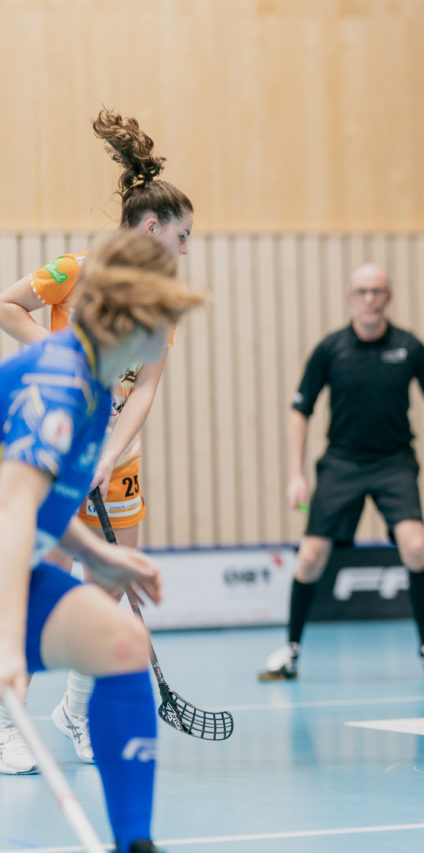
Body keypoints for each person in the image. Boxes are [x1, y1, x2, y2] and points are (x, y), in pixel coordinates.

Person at [0, 109, 193, 772]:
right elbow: (6, 305)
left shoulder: (161, 300)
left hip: (113, 458)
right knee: (31, 578)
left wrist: (110, 453)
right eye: (183, 235)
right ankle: (7, 721)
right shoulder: (74, 271)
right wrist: (65, 361)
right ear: (150, 229)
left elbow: (143, 389)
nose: (188, 248)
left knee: (107, 583)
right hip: (53, 446)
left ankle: (74, 713)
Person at [0, 229, 204, 852]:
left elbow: (35, 508)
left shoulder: (93, 384)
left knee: (121, 641)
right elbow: (12, 511)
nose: (166, 338)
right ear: (136, 321)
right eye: (163, 322)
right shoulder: (62, 382)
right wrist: (9, 644)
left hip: (17, 559)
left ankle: (134, 842)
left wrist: (98, 554)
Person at [257, 263, 424, 681]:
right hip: (342, 463)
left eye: (377, 291)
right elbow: (300, 412)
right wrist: (295, 473)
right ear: (350, 297)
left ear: (388, 296)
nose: (369, 299)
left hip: (394, 463)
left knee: (415, 547)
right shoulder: (330, 349)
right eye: (361, 291)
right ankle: (290, 650)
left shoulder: (410, 348)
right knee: (311, 556)